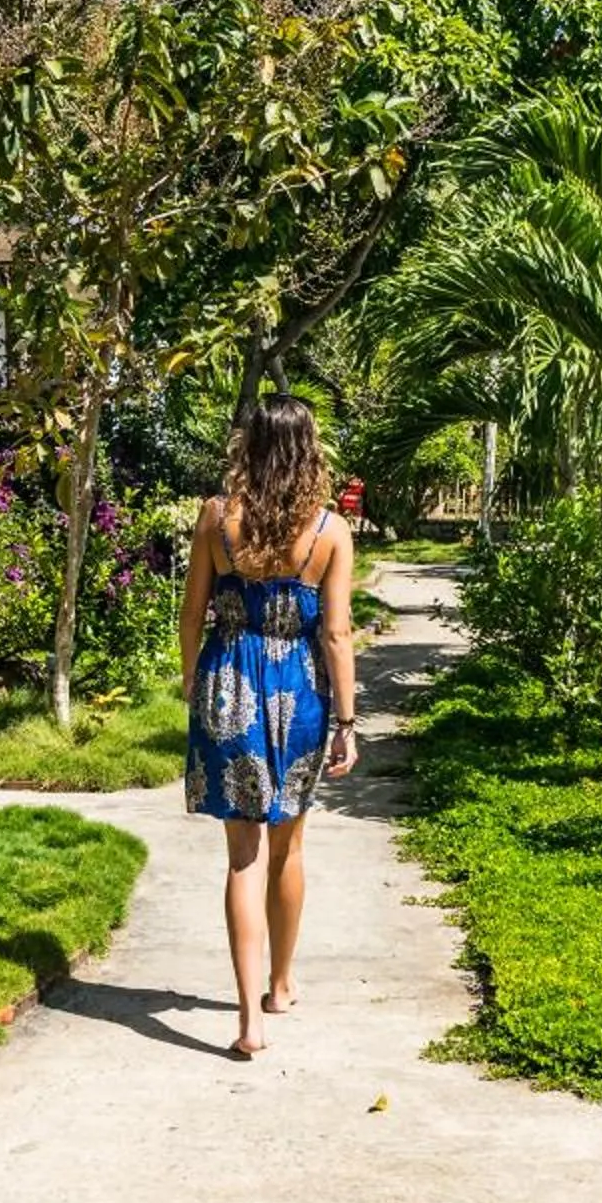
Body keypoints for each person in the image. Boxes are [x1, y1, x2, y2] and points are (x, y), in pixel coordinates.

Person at [179, 393, 359, 1059]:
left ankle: (248, 1022)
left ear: (248, 446)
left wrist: (193, 680)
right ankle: (280, 987)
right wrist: (347, 721)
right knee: (288, 847)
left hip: (228, 684)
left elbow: (192, 615)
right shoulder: (330, 531)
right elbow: (336, 634)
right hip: (299, 692)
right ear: (308, 450)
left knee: (242, 857)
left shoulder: (216, 518)